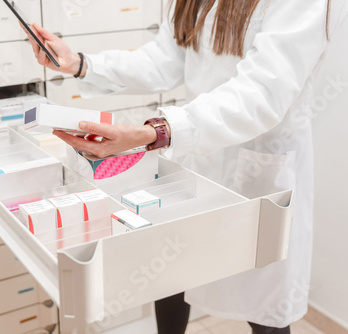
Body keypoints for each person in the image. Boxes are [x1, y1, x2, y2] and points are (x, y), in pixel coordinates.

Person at [24, 0, 347, 333]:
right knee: (172, 276)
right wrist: (81, 64)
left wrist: (157, 131)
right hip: (195, 158)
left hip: (259, 168)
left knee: (263, 303)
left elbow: (261, 93)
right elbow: (165, 58)